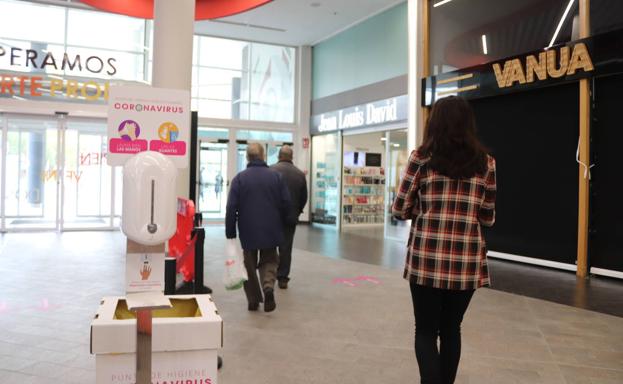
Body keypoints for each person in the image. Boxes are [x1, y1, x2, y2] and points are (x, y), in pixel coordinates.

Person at [392, 96, 496, 384]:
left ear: (433, 122)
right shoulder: (486, 164)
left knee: (425, 330)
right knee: (452, 329)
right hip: (466, 260)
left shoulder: (420, 159)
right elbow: (487, 217)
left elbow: (400, 209)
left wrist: (424, 210)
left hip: (427, 257)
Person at [225, 143, 291, 312]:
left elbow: (232, 207)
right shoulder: (276, 177)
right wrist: (285, 223)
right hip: (271, 227)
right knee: (269, 260)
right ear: (263, 156)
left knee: (249, 264)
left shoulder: (239, 179)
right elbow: (286, 203)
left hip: (248, 229)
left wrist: (230, 229)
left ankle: (253, 299)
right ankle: (268, 287)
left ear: (247, 157)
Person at [270, 145, 308, 289]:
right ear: (291, 157)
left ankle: (269, 274)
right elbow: (304, 197)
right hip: (290, 217)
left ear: (279, 156)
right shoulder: (299, 174)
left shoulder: (271, 170)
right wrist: (297, 211)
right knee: (286, 248)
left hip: (272, 216)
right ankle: (283, 278)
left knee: (270, 246)